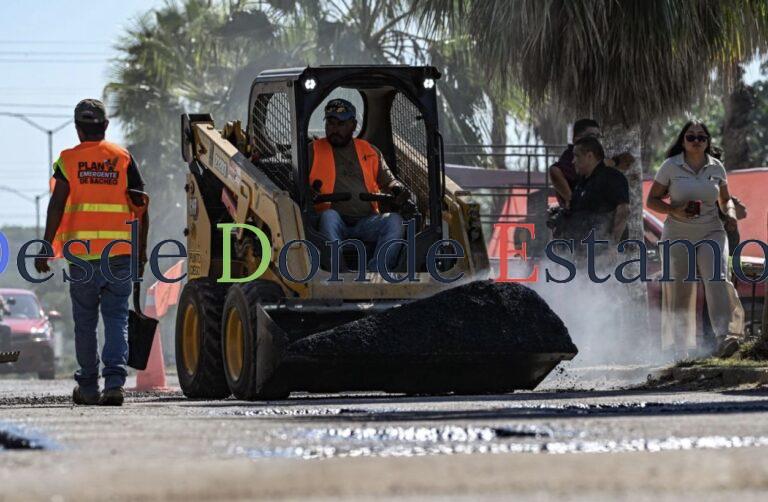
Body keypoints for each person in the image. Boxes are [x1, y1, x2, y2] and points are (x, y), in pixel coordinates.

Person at [34, 99, 149, 406]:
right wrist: (142, 250)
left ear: (77, 128)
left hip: (81, 257)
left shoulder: (68, 161)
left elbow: (56, 204)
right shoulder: (122, 158)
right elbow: (141, 205)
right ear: (105, 126)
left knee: (85, 321)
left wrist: (46, 247)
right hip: (120, 255)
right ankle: (113, 384)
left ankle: (87, 387)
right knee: (115, 318)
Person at [646, 121, 744, 359]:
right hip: (677, 234)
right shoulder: (670, 166)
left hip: (712, 232)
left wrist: (730, 214)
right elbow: (652, 201)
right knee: (680, 287)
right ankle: (681, 348)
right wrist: (675, 210)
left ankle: (726, 337)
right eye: (691, 137)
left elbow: (725, 200)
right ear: (683, 141)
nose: (697, 141)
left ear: (708, 142)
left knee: (717, 279)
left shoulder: (716, 167)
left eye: (702, 137)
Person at [310, 98, 411, 271]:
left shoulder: (369, 150)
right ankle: (339, 273)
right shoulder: (312, 150)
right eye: (331, 123)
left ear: (353, 125)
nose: (334, 129)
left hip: (366, 221)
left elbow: (389, 180)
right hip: (332, 220)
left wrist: (397, 188)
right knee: (329, 217)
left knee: (394, 221)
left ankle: (377, 274)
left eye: (341, 124)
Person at [549, 118, 635, 208]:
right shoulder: (572, 155)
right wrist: (571, 199)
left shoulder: (595, 157)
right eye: (592, 136)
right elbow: (554, 170)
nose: (596, 140)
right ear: (576, 139)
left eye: (598, 136)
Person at [561, 136, 630, 248]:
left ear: (589, 156)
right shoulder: (581, 183)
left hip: (604, 252)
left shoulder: (612, 177)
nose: (573, 161)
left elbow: (623, 211)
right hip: (582, 252)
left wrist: (613, 245)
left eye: (577, 156)